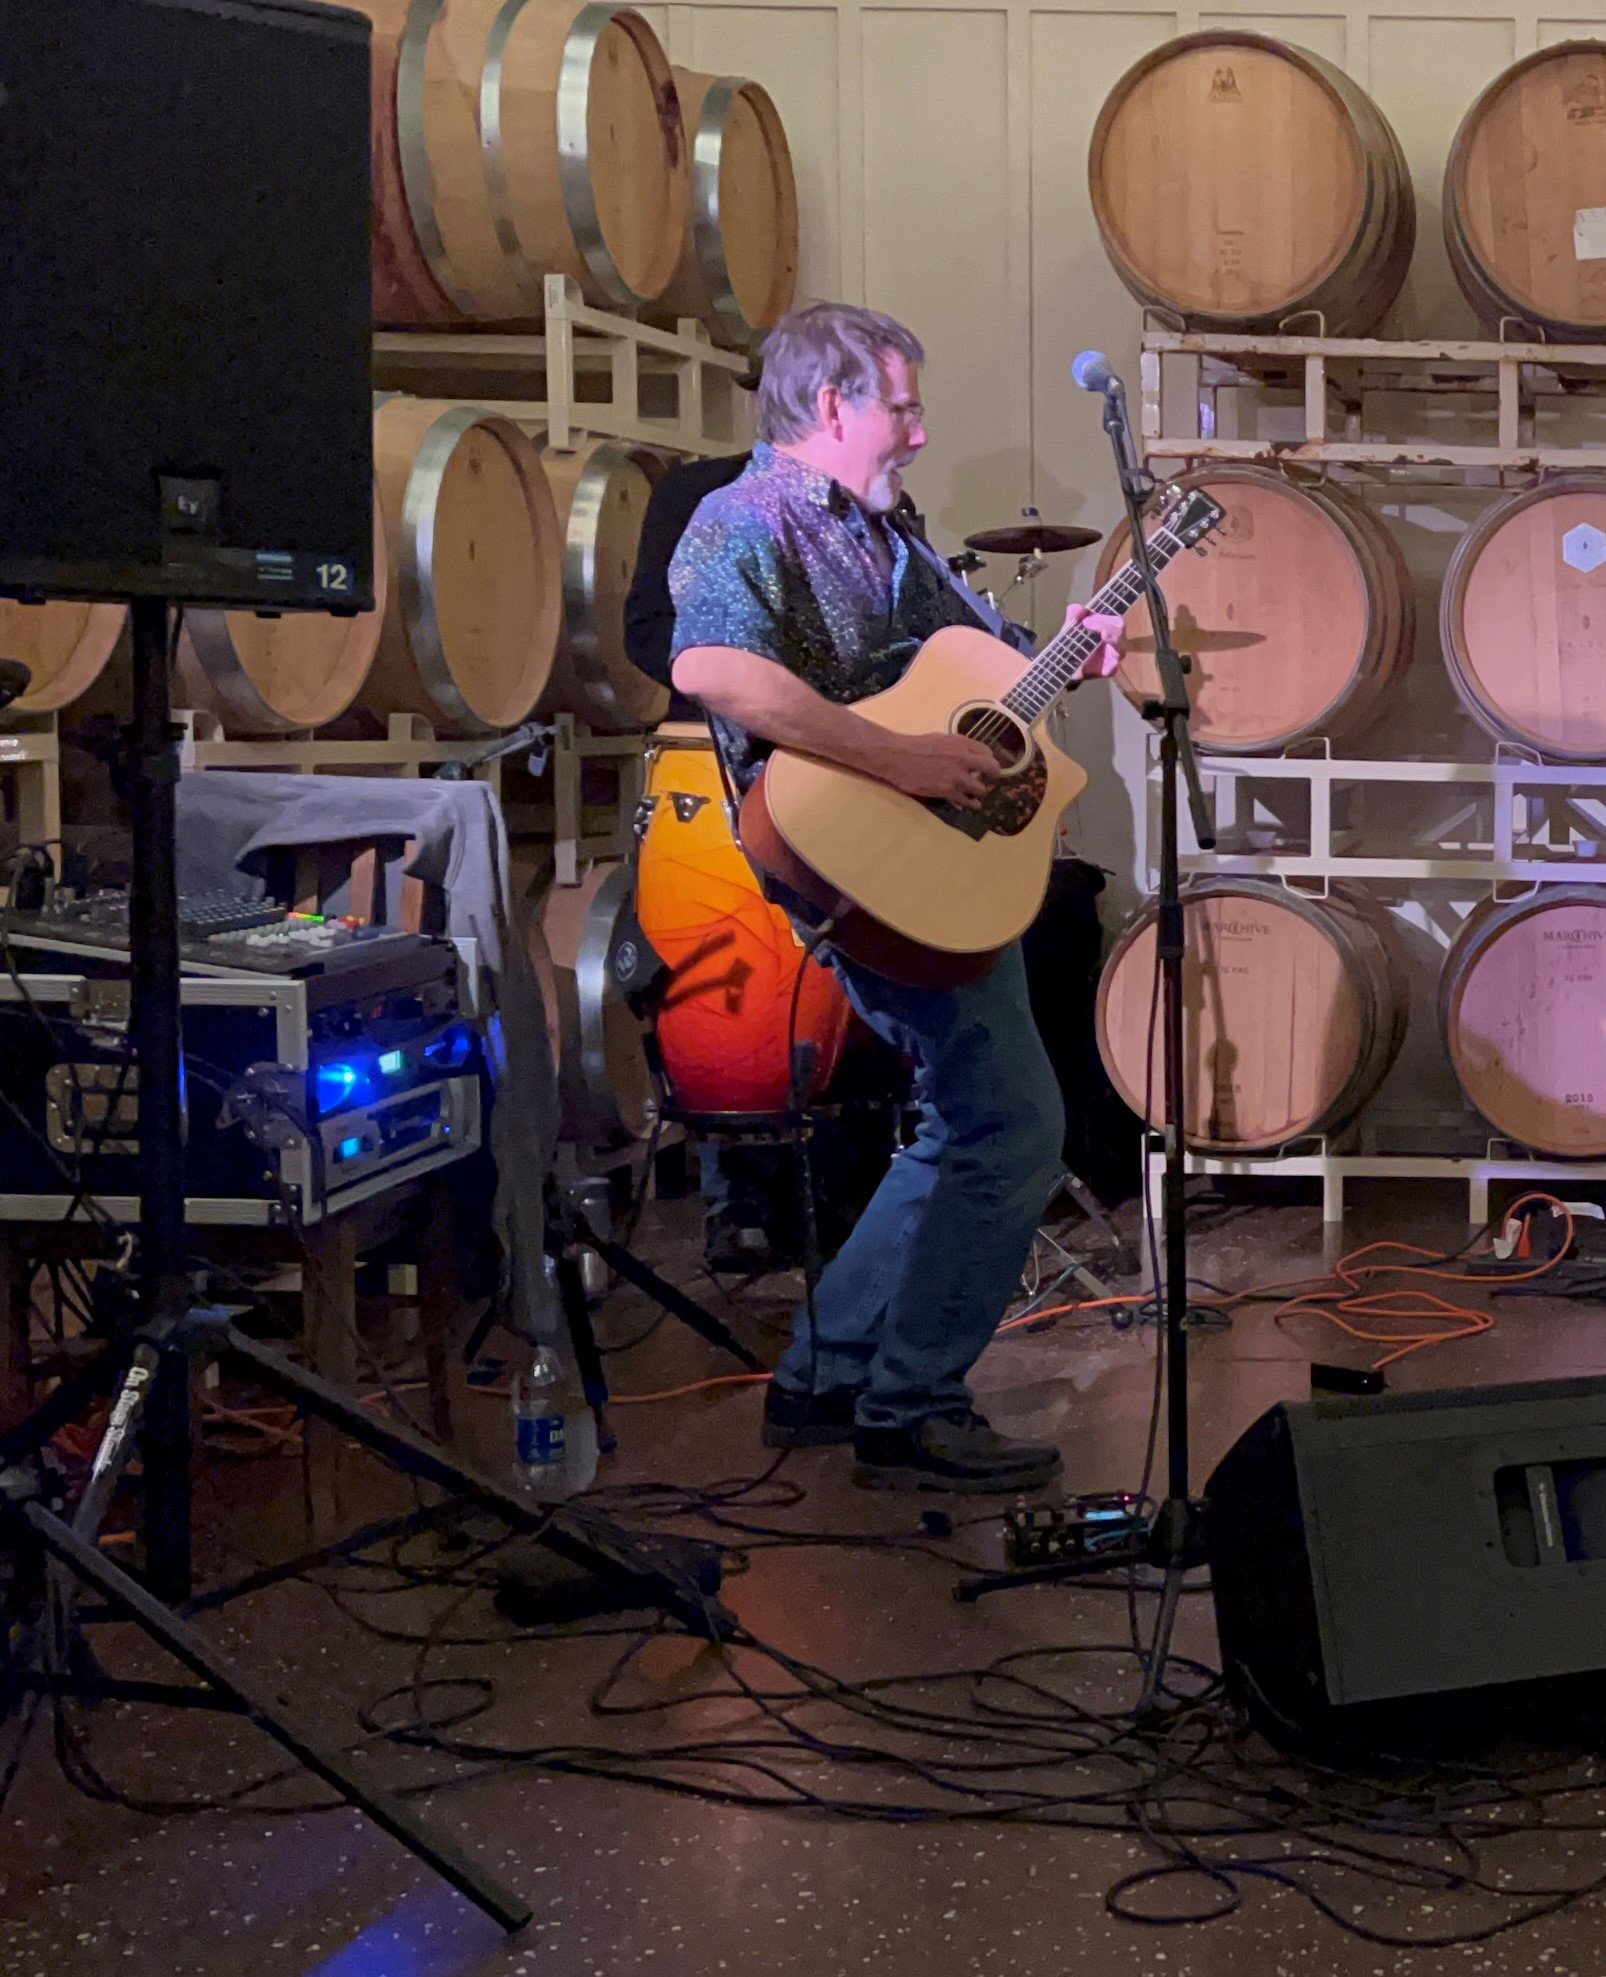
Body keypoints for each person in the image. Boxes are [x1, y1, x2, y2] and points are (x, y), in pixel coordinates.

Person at [669, 303, 1123, 1494]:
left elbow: (969, 672)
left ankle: (827, 1375)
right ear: (832, 407)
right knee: (1016, 1125)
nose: (918, 433)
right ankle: (911, 1400)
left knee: (968, 1118)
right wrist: (896, 763)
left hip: (921, 852)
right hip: (855, 851)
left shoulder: (889, 535)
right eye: (902, 407)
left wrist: (1068, 646)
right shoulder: (747, 518)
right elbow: (711, 669)